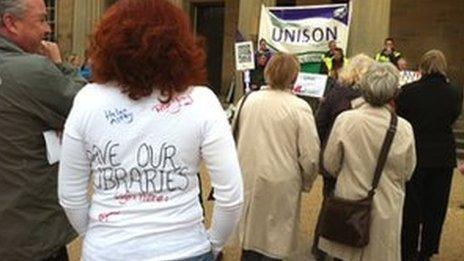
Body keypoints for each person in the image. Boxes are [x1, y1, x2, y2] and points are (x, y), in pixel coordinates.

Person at [57, 0, 243, 260]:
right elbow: (232, 196)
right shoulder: (202, 101)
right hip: (184, 248)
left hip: (109, 250)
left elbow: (70, 196)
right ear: (179, 44)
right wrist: (213, 244)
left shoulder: (89, 100)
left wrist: (102, 237)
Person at [0, 0, 85, 259]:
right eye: (41, 20)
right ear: (10, 23)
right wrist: (59, 64)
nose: (47, 29)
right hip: (29, 234)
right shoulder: (31, 71)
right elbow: (84, 107)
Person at [318, 62, 417, 261]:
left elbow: (330, 164)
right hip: (385, 208)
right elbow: (408, 171)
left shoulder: (346, 120)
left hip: (349, 205)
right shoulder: (404, 128)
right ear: (394, 93)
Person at [234, 53, 320, 260]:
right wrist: (307, 180)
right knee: (275, 241)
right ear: (294, 77)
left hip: (249, 175)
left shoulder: (247, 100)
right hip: (282, 181)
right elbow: (310, 155)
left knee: (251, 238)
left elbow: (232, 136)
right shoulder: (299, 107)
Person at [397, 50, 463, 261]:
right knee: (436, 207)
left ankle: (407, 249)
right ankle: (427, 250)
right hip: (442, 155)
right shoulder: (454, 92)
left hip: (415, 152)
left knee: (411, 205)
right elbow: (453, 117)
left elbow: (402, 117)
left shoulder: (408, 91)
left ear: (422, 67)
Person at [312, 53, 375, 260]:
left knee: (329, 201)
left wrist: (322, 149)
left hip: (333, 152)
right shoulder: (371, 100)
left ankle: (320, 247)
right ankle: (346, 246)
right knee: (355, 204)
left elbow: (319, 124)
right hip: (360, 157)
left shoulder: (335, 93)